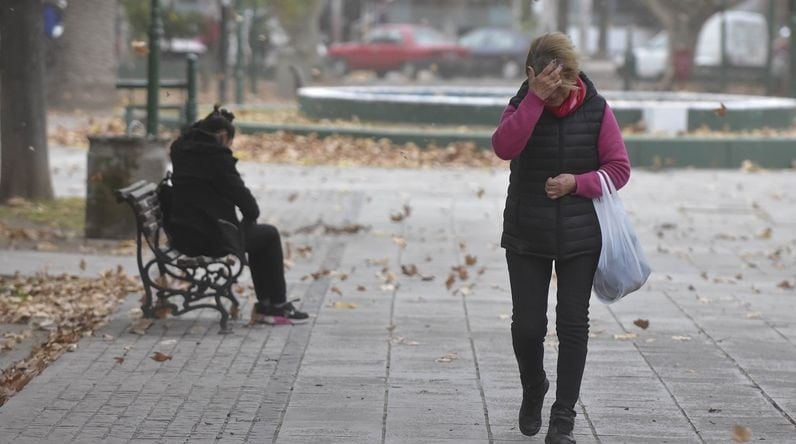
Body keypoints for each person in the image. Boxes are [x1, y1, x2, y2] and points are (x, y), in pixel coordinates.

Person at [491, 32, 631, 444]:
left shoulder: (596, 109)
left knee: (573, 325)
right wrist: (534, 100)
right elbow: (503, 147)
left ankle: (563, 418)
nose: (556, 91)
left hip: (580, 235)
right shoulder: (521, 105)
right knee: (528, 327)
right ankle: (534, 387)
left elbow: (619, 169)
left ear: (571, 75)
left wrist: (578, 182)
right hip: (526, 232)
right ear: (532, 74)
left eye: (561, 82)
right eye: (545, 81)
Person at [168, 106, 309, 325]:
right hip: (209, 237)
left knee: (258, 237)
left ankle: (270, 305)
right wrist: (248, 217)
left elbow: (193, 133)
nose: (230, 148)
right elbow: (249, 206)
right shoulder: (217, 158)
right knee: (269, 235)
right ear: (223, 137)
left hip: (183, 232)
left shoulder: (180, 149)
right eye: (230, 143)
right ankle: (275, 305)